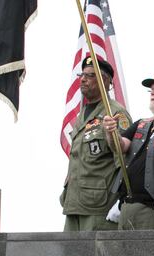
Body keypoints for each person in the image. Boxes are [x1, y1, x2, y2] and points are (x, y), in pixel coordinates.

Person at [103, 71, 154, 230]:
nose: (153, 92)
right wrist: (110, 132)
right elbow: (119, 146)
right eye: (151, 89)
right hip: (127, 206)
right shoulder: (141, 123)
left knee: (153, 254)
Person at [61, 56, 131, 231]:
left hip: (98, 206)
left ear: (106, 81)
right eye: (82, 75)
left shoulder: (115, 113)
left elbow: (124, 161)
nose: (83, 79)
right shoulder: (82, 115)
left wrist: (122, 200)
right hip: (74, 202)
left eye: (91, 76)